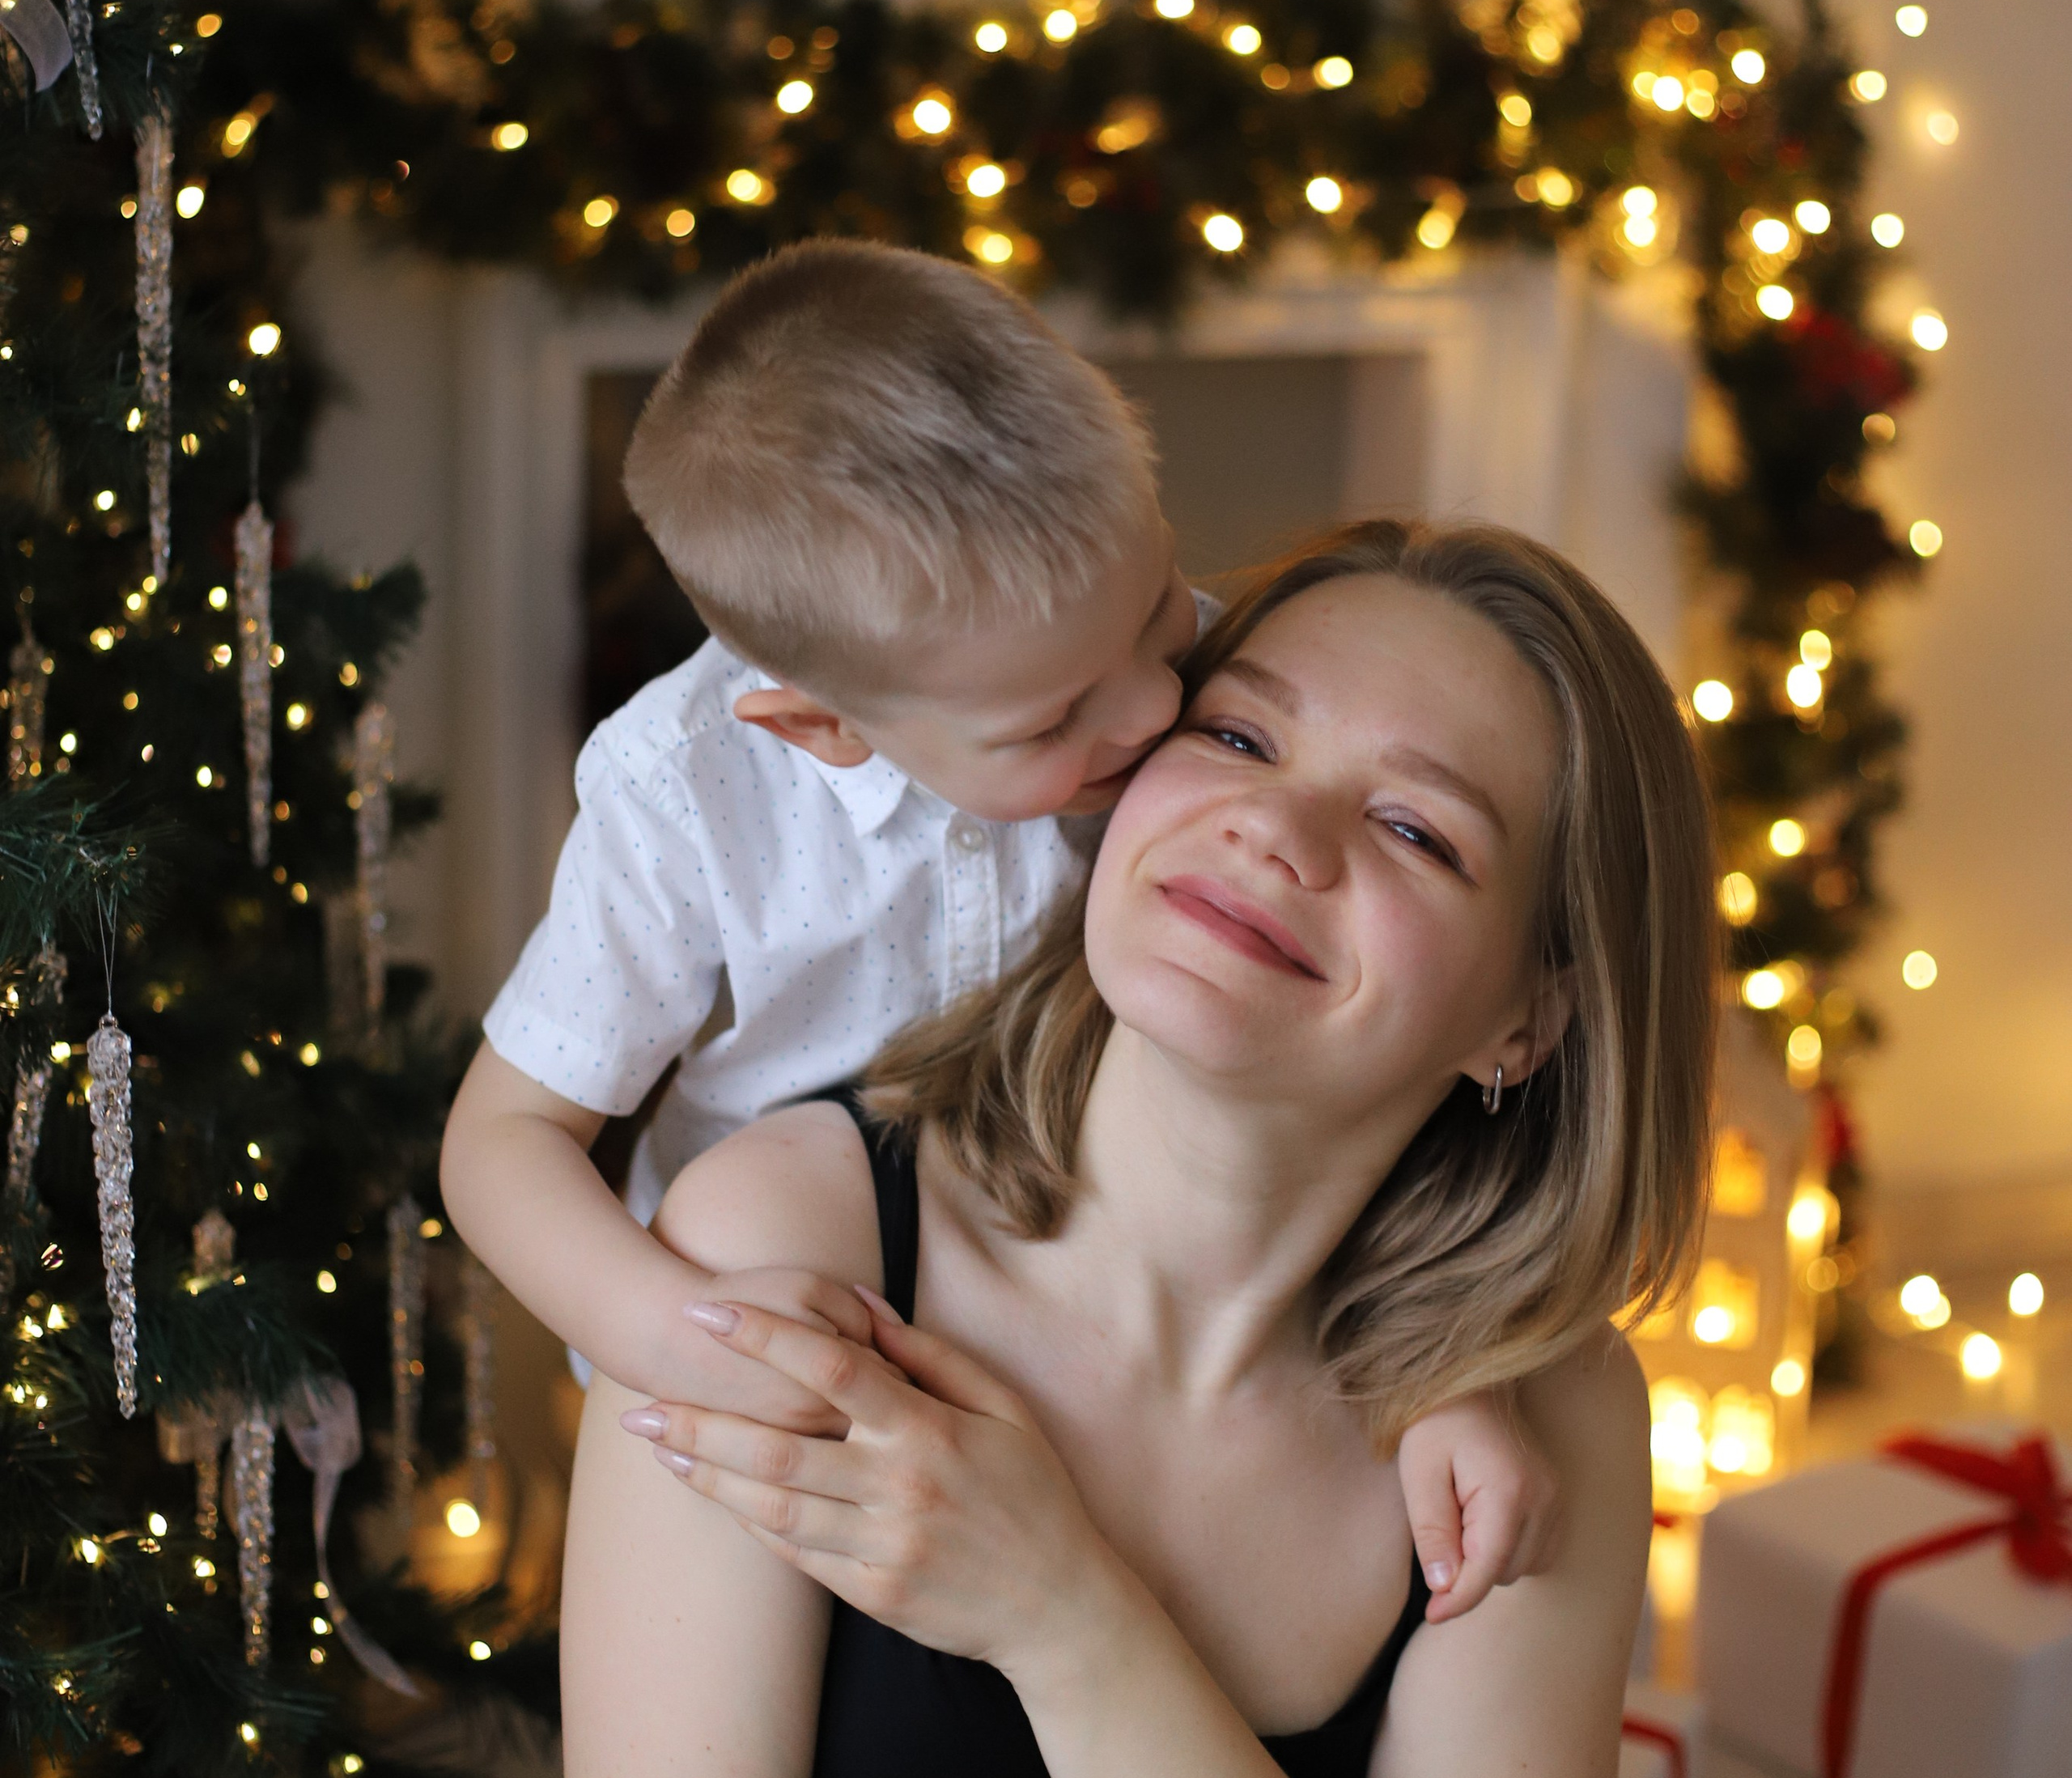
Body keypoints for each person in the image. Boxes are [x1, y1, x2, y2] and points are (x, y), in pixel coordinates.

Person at [440, 246, 1551, 1620]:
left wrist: (1449, 1374)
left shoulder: (1158, 686)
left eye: (1159, 609)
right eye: (1051, 723)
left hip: (1099, 1328)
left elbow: (1341, 1075)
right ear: (822, 723)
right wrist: (663, 1330)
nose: (1151, 711)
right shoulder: (687, 790)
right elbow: (503, 1142)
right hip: (797, 1358)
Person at [563, 518, 1717, 1778]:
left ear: (1528, 1020)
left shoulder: (1555, 1419)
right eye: (1236, 736)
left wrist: (1065, 1618)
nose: (1277, 826)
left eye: (1418, 831)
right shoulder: (771, 1250)